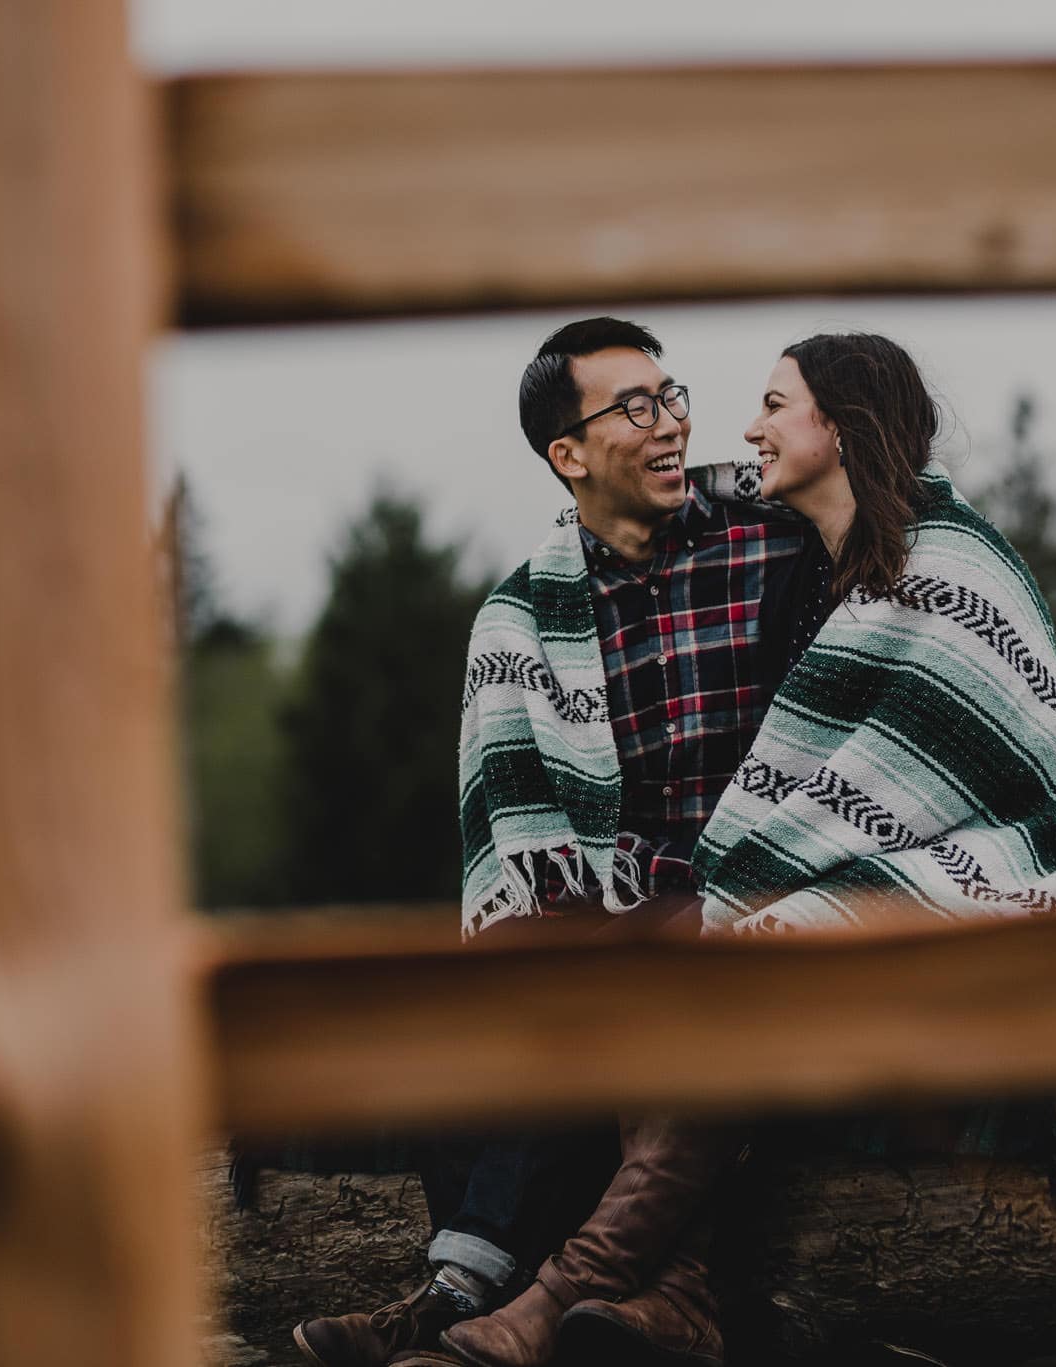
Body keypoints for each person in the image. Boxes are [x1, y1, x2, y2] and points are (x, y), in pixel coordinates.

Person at [415, 332, 1056, 1367]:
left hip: (978, 865)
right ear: (567, 453)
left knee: (722, 952)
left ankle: (564, 1288)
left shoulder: (938, 559)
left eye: (766, 404)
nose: (722, 426)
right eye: (639, 407)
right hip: (772, 894)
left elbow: (984, 752)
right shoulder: (810, 566)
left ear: (836, 426)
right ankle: (649, 1297)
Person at [290, 317, 812, 1367]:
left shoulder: (771, 537)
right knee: (489, 1005)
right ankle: (485, 1299)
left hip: (755, 893)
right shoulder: (523, 614)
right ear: (566, 454)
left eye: (670, 396)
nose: (669, 423)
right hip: (608, 912)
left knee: (628, 985)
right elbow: (521, 836)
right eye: (634, 406)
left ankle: (465, 1297)